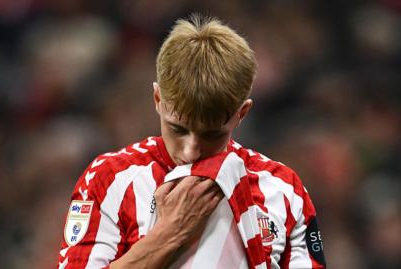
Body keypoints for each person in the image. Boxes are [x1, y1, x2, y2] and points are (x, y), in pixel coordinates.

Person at [57, 14, 326, 269]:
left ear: (241, 113)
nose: (191, 151)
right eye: (178, 129)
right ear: (158, 99)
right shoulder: (108, 180)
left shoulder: (284, 190)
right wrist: (169, 234)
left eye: (211, 134)